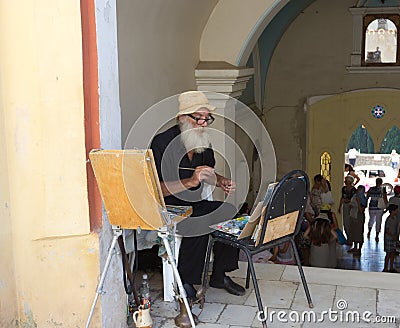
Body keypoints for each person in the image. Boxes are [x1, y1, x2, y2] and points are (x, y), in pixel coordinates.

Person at [150, 91, 245, 299]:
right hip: (168, 208)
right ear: (183, 118)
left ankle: (219, 274)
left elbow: (207, 172)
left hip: (194, 203)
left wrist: (220, 181)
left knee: (230, 213)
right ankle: (186, 280)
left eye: (207, 119)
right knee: (199, 222)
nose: (203, 123)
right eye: (198, 118)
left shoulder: (202, 143)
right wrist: (190, 182)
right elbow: (155, 189)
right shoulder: (162, 143)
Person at [366, 178, 388, 242]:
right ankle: (377, 236)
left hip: (372, 207)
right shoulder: (383, 189)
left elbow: (367, 197)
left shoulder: (371, 189)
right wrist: (387, 207)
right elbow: (385, 198)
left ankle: (369, 232)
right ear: (381, 182)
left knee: (371, 219)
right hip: (380, 208)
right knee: (379, 221)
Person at [347, 185, 367, 256]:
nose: (358, 191)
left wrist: (358, 202)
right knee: (353, 232)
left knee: (359, 233)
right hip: (353, 215)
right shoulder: (354, 196)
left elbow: (361, 210)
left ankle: (359, 249)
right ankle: (355, 247)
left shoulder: (363, 199)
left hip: (359, 217)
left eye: (359, 190)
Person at [338, 175, 357, 245]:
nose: (345, 182)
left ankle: (350, 239)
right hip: (345, 206)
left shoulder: (354, 190)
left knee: (350, 223)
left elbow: (354, 199)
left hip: (351, 207)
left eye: (346, 180)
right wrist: (340, 206)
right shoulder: (344, 189)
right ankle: (348, 237)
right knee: (345, 223)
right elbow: (342, 198)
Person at [383, 204, 399, 272]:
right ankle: (386, 267)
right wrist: (393, 236)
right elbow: (387, 230)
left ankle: (391, 267)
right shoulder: (388, 220)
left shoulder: (395, 218)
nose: (397, 211)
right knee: (388, 254)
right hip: (389, 239)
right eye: (396, 210)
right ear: (392, 211)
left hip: (393, 238)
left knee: (392, 253)